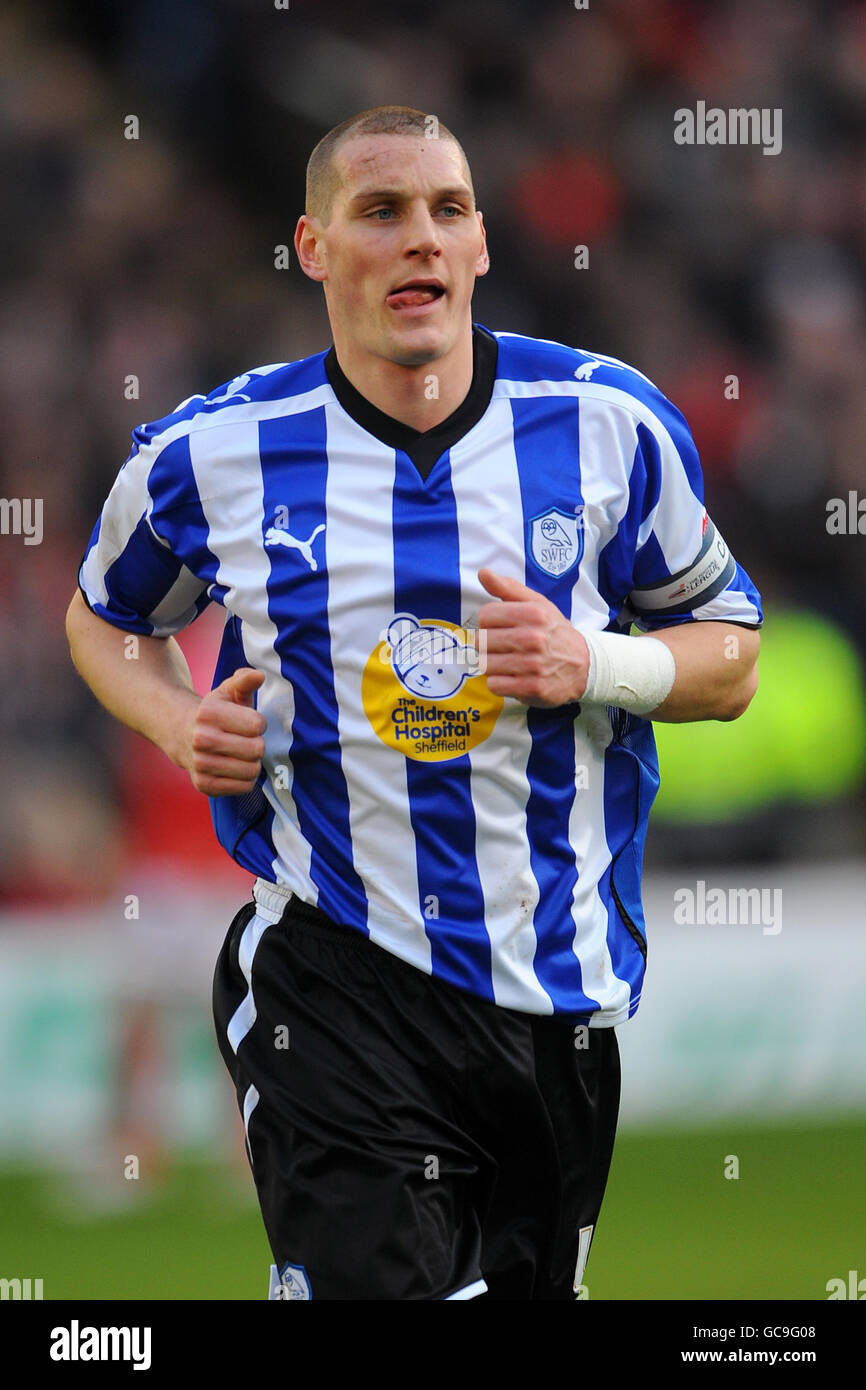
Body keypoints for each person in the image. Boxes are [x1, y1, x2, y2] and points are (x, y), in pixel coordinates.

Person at [66, 105, 762, 1301]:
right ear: (313, 246)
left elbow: (730, 655)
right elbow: (102, 617)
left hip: (552, 993)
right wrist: (180, 721)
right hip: (334, 976)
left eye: (447, 210)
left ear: (482, 244)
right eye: (380, 213)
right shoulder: (211, 454)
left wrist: (594, 662)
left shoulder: (608, 425)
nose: (420, 240)